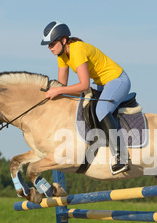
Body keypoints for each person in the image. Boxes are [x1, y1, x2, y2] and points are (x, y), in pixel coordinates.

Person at [41, 21, 131, 175]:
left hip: (117, 80)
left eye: (52, 44)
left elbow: (84, 85)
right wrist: (52, 93)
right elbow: (61, 85)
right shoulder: (62, 56)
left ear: (64, 40)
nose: (50, 48)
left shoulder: (78, 50)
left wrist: (58, 90)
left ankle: (120, 157)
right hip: (103, 85)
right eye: (48, 45)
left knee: (101, 109)